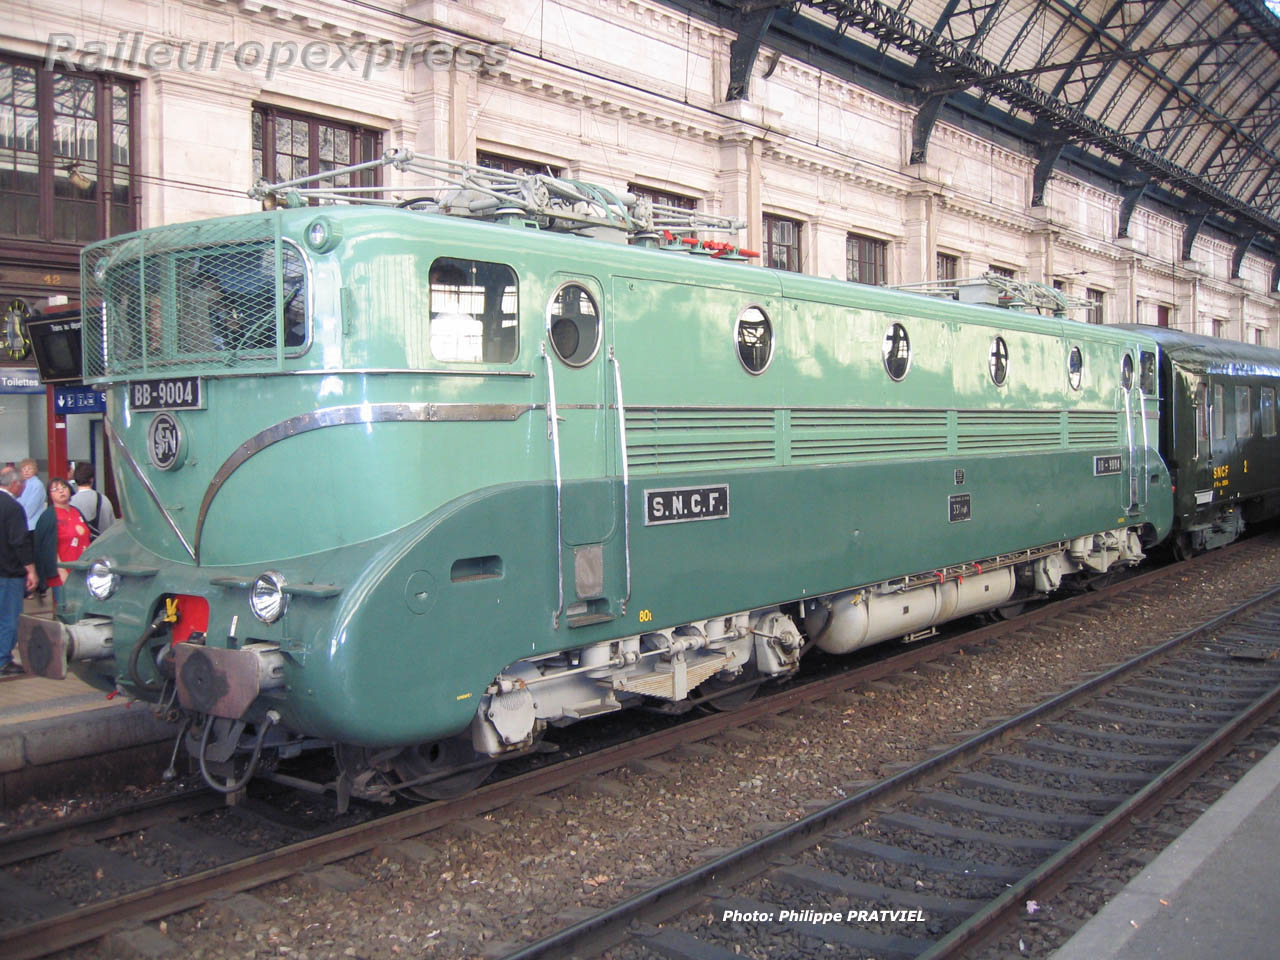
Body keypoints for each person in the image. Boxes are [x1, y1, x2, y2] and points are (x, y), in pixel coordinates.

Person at [0, 465, 37, 675]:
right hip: (8, 572)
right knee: (9, 617)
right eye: (22, 483)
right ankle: (3, 660)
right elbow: (19, 542)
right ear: (14, 484)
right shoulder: (12, 508)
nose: (23, 487)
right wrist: (31, 570)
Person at [33, 477, 90, 612]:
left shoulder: (76, 511)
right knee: (68, 610)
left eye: (63, 487)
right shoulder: (49, 516)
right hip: (63, 573)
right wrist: (61, 570)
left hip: (83, 570)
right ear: (50, 495)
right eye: (55, 489)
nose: (61, 491)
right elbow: (47, 547)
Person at [16, 459, 45, 599]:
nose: (26, 471)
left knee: (32, 557)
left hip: (31, 525)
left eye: (29, 468)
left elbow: (30, 508)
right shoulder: (23, 484)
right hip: (23, 524)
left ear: (35, 470)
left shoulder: (37, 485)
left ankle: (35, 588)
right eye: (24, 468)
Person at [70, 463, 116, 537]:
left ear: (75, 479)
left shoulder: (70, 503)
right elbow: (112, 528)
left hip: (78, 546)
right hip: (101, 545)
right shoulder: (104, 500)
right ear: (92, 479)